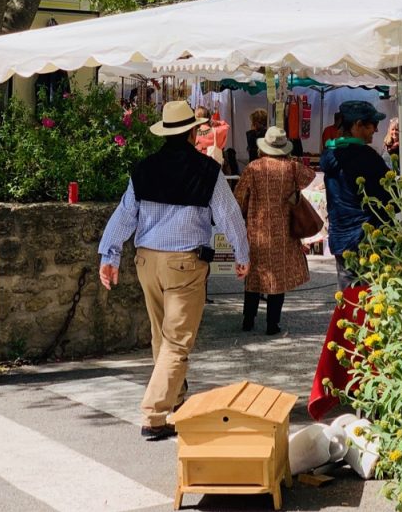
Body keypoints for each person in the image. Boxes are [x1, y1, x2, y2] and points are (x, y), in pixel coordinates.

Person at [98, 101, 249, 441]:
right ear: (194, 132)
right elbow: (229, 216)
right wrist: (243, 253)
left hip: (146, 260)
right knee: (178, 343)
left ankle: (178, 403)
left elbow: (125, 214)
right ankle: (153, 415)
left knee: (161, 337)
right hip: (184, 263)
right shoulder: (207, 170)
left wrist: (109, 254)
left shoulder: (144, 168)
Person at [234, 127, 316, 336]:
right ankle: (272, 324)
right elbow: (311, 176)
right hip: (283, 228)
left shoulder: (253, 168)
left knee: (253, 275)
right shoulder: (292, 168)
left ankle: (248, 319)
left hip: (257, 228)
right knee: (277, 278)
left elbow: (240, 197)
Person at [320, 101, 393, 291]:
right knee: (373, 295)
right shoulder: (367, 157)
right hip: (368, 237)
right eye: (373, 125)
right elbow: (390, 197)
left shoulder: (329, 154)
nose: (376, 130)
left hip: (340, 234)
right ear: (358, 125)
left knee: (348, 294)